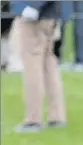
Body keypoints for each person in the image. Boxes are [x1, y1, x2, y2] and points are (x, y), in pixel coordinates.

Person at [10, 1, 66, 132]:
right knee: (48, 63)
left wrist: (34, 6)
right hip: (46, 13)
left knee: (32, 64)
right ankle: (56, 116)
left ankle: (32, 120)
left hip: (35, 13)